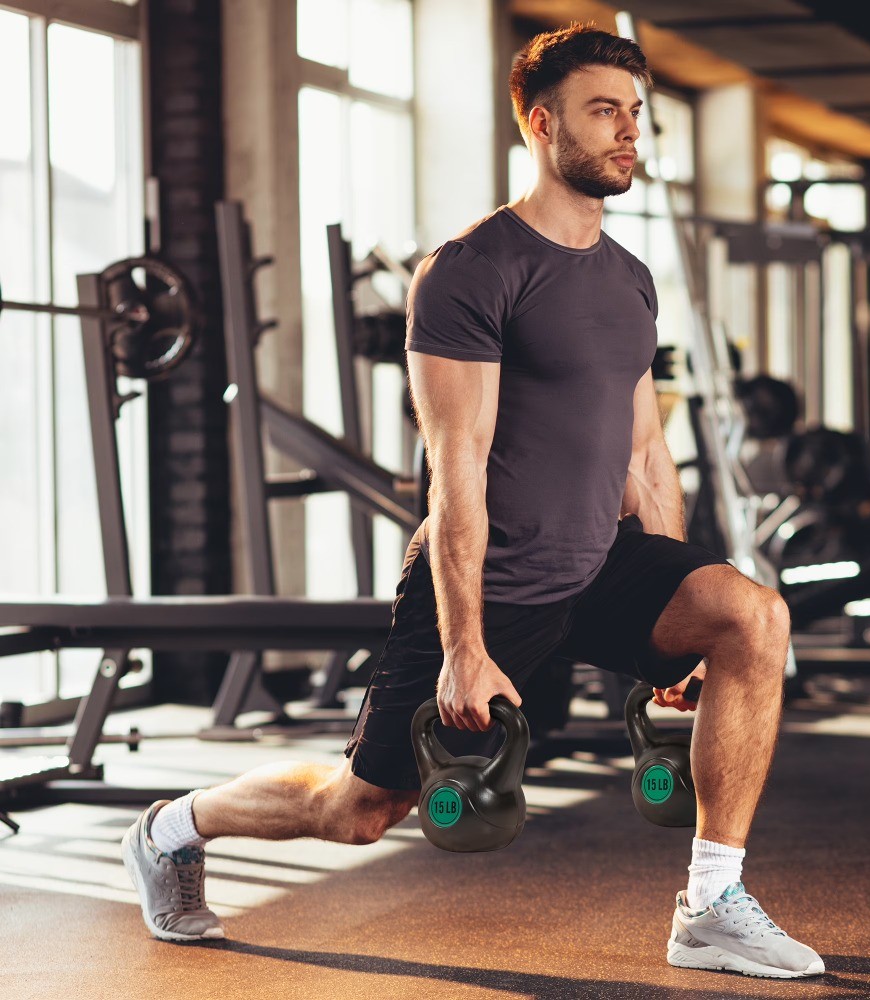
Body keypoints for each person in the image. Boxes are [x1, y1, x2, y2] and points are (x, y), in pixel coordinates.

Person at [121, 22, 824, 979]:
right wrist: (465, 645)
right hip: (496, 579)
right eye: (603, 113)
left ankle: (711, 903)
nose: (629, 133)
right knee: (359, 811)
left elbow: (649, 454)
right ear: (542, 124)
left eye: (634, 114)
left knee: (752, 617)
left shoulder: (630, 280)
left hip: (600, 563)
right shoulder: (473, 270)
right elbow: (456, 468)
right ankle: (170, 828)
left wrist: (672, 613)